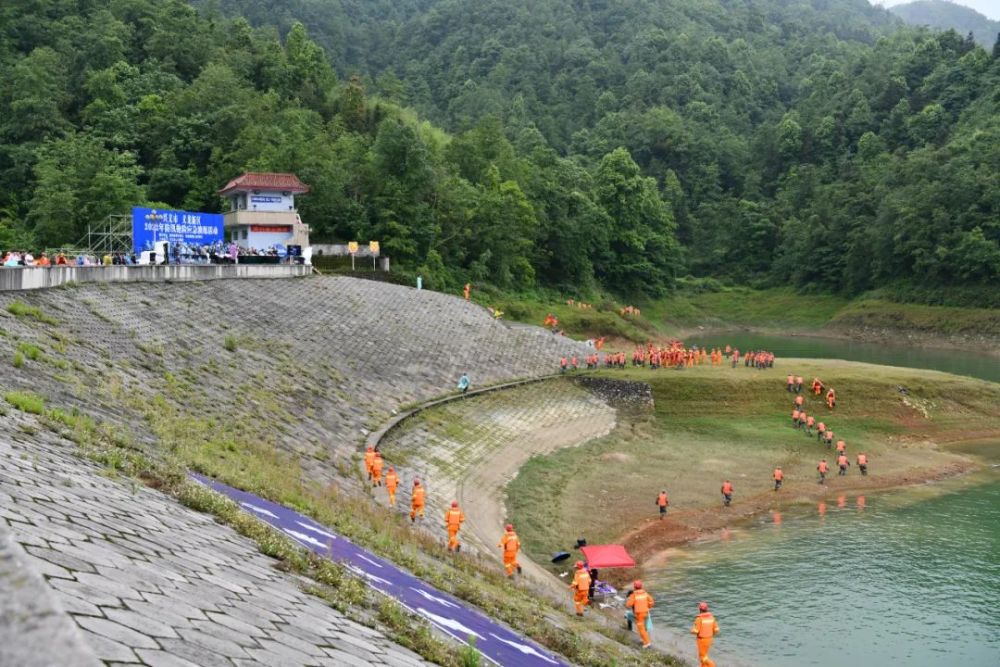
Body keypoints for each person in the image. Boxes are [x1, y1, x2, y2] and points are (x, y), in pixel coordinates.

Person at [625, 580, 654, 648]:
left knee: (641, 628)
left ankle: (647, 643)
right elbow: (651, 602)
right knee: (643, 627)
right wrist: (648, 606)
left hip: (639, 614)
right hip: (646, 612)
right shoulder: (645, 593)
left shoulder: (634, 595)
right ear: (641, 586)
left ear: (634, 587)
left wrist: (628, 602)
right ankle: (643, 639)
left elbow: (628, 605)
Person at [691, 601, 720, 667]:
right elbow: (717, 630)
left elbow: (696, 631)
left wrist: (691, 631)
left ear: (700, 609)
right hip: (709, 639)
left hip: (701, 640)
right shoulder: (712, 618)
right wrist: (710, 634)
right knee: (704, 654)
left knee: (702, 656)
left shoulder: (699, 619)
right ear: (707, 609)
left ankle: (712, 665)